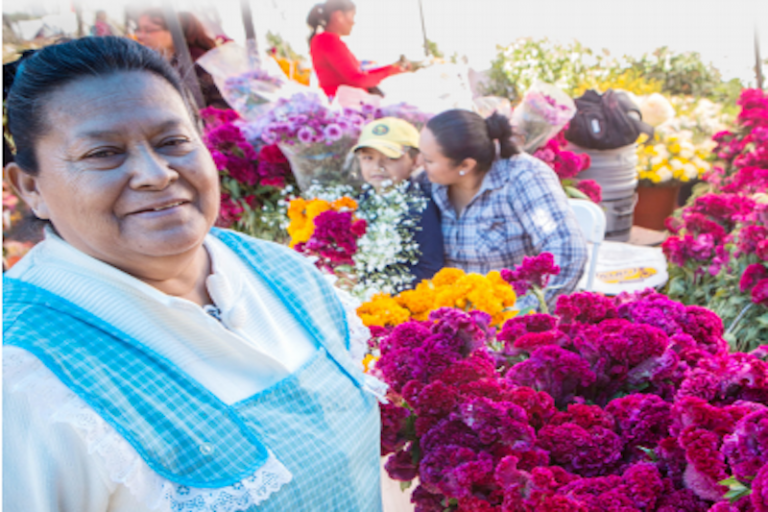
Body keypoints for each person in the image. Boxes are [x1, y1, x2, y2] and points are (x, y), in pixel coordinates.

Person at [3, 36, 383, 512]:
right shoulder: (23, 374)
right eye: (103, 153)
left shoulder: (284, 274)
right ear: (30, 187)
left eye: (173, 142)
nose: (156, 173)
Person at [418, 109, 588, 309]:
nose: (419, 163)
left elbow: (568, 251)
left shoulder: (524, 177)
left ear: (465, 165)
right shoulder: (428, 183)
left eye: (428, 160)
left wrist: (523, 313)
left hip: (511, 311)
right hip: (447, 313)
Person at [353, 117, 444, 285]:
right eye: (368, 158)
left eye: (390, 157)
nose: (377, 166)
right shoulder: (358, 202)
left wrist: (368, 283)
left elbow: (429, 267)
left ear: (415, 161)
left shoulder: (418, 207)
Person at [307, 0, 406, 98]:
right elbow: (357, 79)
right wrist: (388, 72)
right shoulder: (328, 40)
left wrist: (391, 69)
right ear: (339, 16)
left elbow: (358, 75)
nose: (353, 22)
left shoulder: (323, 39)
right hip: (347, 103)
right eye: (352, 16)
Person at [135, 8, 228, 109]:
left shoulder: (196, 60)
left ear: (173, 31)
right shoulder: (165, 60)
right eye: (139, 30)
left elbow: (223, 103)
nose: (141, 36)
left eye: (148, 30)